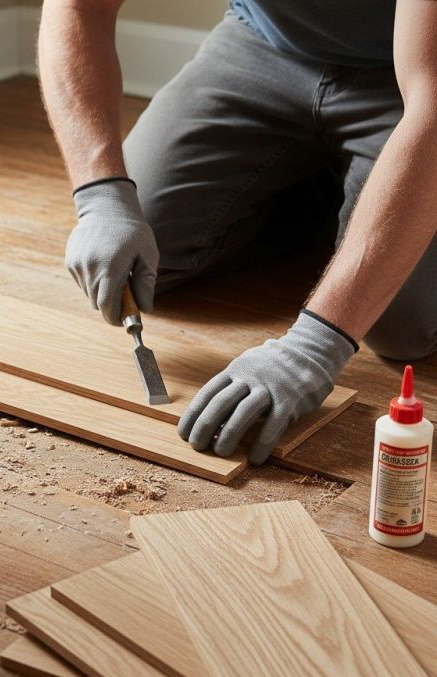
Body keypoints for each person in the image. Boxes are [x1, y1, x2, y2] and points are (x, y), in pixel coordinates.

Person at [38, 0, 437, 464]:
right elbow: (78, 7)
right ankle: (345, 197)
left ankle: (374, 205)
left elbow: (432, 104)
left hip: (411, 78)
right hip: (266, 44)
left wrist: (315, 344)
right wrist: (100, 196)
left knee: (400, 328)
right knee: (149, 250)